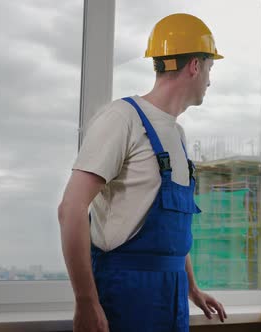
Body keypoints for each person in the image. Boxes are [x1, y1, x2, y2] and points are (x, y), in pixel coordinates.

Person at [58, 13, 227, 332]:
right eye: (209, 68)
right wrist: (86, 301)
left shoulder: (177, 135)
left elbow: (173, 230)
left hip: (173, 297)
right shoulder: (122, 118)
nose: (209, 79)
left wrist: (191, 287)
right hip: (125, 295)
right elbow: (70, 209)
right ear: (194, 65)